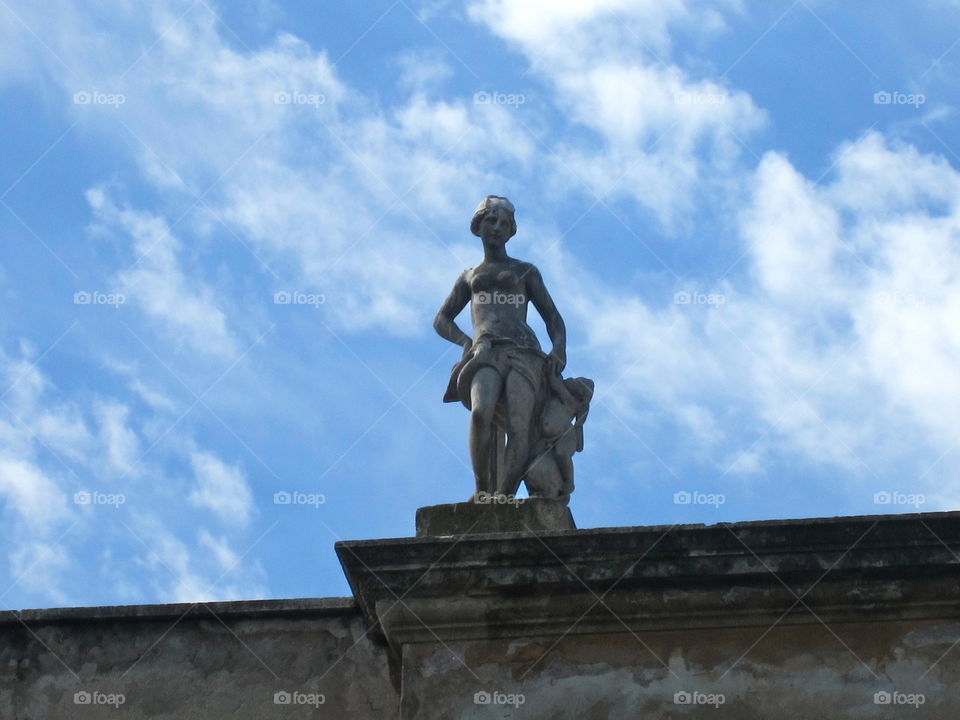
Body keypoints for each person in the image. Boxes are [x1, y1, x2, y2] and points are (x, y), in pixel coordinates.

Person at [434, 196, 567, 498]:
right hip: (486, 350)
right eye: (490, 220)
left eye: (503, 223)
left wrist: (559, 348)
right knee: (481, 412)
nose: (496, 227)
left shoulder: (525, 271)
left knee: (520, 426)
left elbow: (553, 318)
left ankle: (504, 494)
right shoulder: (469, 276)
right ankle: (483, 492)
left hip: (525, 353)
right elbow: (441, 319)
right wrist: (466, 341)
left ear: (511, 231)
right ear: (478, 225)